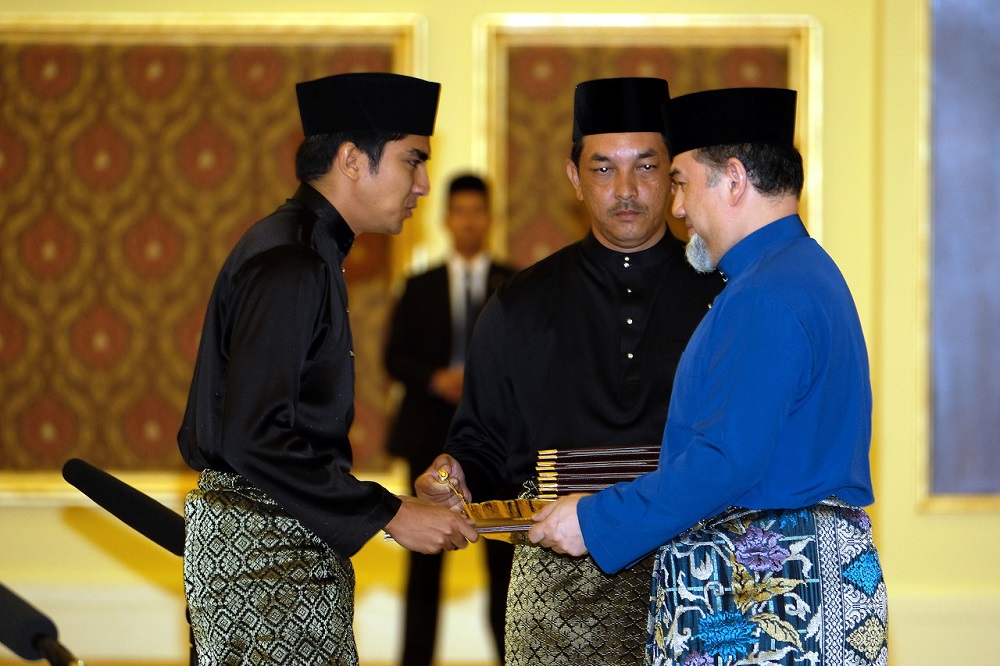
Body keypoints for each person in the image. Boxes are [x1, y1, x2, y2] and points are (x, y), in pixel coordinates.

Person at [529, 87, 888, 665]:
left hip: (769, 595)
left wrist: (594, 519)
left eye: (680, 181)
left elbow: (726, 460)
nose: (676, 207)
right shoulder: (807, 272)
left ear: (735, 180)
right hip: (819, 581)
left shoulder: (762, 296)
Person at [415, 77, 726, 665]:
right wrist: (454, 469)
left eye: (647, 166)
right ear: (574, 178)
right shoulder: (520, 303)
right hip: (558, 588)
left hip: (692, 567)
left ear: (673, 174)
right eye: (604, 168)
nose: (627, 189)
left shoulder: (723, 296)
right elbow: (482, 441)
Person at [177, 72, 478, 666]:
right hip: (265, 562)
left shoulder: (304, 248)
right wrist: (390, 514)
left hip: (277, 548)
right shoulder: (293, 262)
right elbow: (255, 437)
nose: (422, 184)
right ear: (350, 160)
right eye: (412, 160)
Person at [383, 173, 517, 666]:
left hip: (495, 447)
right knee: (424, 569)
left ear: (488, 217)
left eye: (476, 211)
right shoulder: (418, 287)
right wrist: (437, 377)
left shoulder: (514, 283)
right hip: (426, 436)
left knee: (501, 565)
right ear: (446, 219)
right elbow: (394, 358)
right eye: (459, 211)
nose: (468, 221)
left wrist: (477, 380)